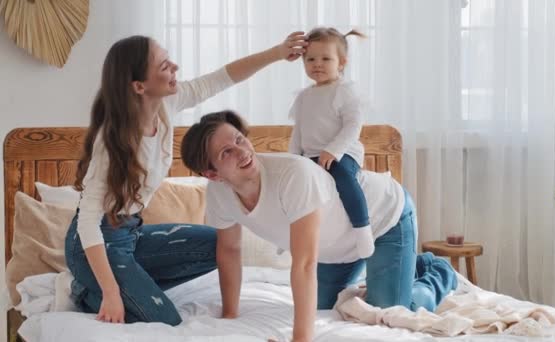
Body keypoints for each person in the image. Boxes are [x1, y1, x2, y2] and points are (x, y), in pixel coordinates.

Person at [64, 33, 308, 326]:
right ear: (140, 86)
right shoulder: (112, 142)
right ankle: (84, 288)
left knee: (215, 246)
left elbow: (224, 77)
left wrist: (277, 52)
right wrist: (111, 292)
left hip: (133, 234)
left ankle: (131, 280)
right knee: (164, 320)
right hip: (97, 241)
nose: (175, 67)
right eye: (164, 66)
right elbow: (88, 223)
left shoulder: (168, 104)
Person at [180, 110, 458, 342]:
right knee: (325, 308)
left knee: (388, 312)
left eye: (239, 139)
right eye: (227, 152)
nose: (242, 152)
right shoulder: (219, 194)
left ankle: (437, 270)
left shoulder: (293, 174)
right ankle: (399, 267)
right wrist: (230, 315)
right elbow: (229, 250)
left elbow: (303, 263)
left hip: (384, 220)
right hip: (335, 250)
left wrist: (301, 339)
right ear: (212, 174)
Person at [288, 27, 374, 258]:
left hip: (343, 153)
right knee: (293, 188)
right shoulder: (304, 97)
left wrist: (333, 150)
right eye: (311, 59)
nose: (317, 64)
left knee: (343, 176)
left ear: (342, 62)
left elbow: (353, 127)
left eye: (326, 59)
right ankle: (288, 234)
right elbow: (299, 130)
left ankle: (362, 228)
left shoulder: (344, 91)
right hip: (312, 156)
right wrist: (293, 159)